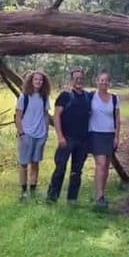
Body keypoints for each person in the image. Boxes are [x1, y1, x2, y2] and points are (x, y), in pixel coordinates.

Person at [46, 69, 92, 204]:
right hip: (67, 138)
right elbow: (56, 116)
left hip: (82, 140)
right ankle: (52, 197)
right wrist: (60, 136)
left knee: (77, 171)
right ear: (72, 80)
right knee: (60, 168)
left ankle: (72, 198)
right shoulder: (65, 96)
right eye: (76, 78)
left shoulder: (88, 96)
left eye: (81, 78)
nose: (79, 80)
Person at [14, 70, 52, 201]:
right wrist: (21, 133)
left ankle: (33, 190)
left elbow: (46, 115)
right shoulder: (23, 97)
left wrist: (45, 133)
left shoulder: (45, 97)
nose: (38, 82)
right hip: (26, 134)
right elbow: (18, 117)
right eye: (36, 79)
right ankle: (24, 192)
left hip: (40, 135)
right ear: (31, 81)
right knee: (24, 164)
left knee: (35, 163)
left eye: (41, 80)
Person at [88, 71, 120, 209]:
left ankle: (102, 193)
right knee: (100, 164)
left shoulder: (114, 98)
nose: (104, 83)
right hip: (95, 134)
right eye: (101, 80)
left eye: (106, 80)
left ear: (109, 83)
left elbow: (117, 119)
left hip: (109, 134)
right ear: (97, 81)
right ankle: (99, 196)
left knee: (106, 166)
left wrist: (117, 136)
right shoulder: (90, 97)